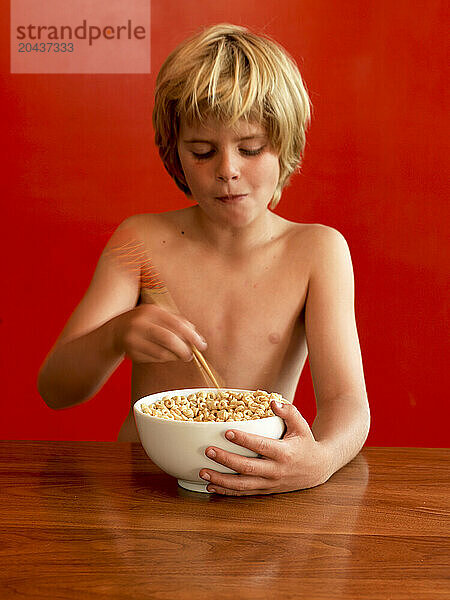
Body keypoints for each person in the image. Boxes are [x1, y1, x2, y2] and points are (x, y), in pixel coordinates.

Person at [38, 23, 370, 496]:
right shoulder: (139, 243)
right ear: (175, 155)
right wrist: (115, 336)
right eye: (202, 151)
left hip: (259, 484)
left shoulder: (318, 251)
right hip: (147, 484)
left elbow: (348, 402)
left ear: (286, 147)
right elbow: (56, 390)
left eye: (251, 148)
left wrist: (320, 460)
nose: (228, 170)